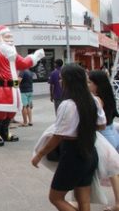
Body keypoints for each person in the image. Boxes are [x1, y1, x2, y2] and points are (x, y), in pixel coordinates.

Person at [32, 63, 104, 211]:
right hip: (90, 152)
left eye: (61, 78)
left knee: (56, 198)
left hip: (73, 155)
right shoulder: (94, 101)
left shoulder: (67, 105)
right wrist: (84, 126)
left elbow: (57, 136)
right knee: (83, 200)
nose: (60, 81)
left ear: (69, 81)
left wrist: (39, 154)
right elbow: (101, 125)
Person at [0, 25, 44, 146]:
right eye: (6, 36)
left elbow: (23, 63)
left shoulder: (11, 53)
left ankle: (5, 132)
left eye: (10, 36)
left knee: (9, 114)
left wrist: (35, 56)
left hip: (11, 90)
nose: (10, 39)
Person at [88, 70, 119, 211]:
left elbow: (98, 123)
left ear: (97, 85)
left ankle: (118, 203)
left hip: (105, 137)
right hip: (112, 134)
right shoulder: (108, 96)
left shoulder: (98, 99)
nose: (88, 85)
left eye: (90, 82)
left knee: (113, 173)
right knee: (114, 172)